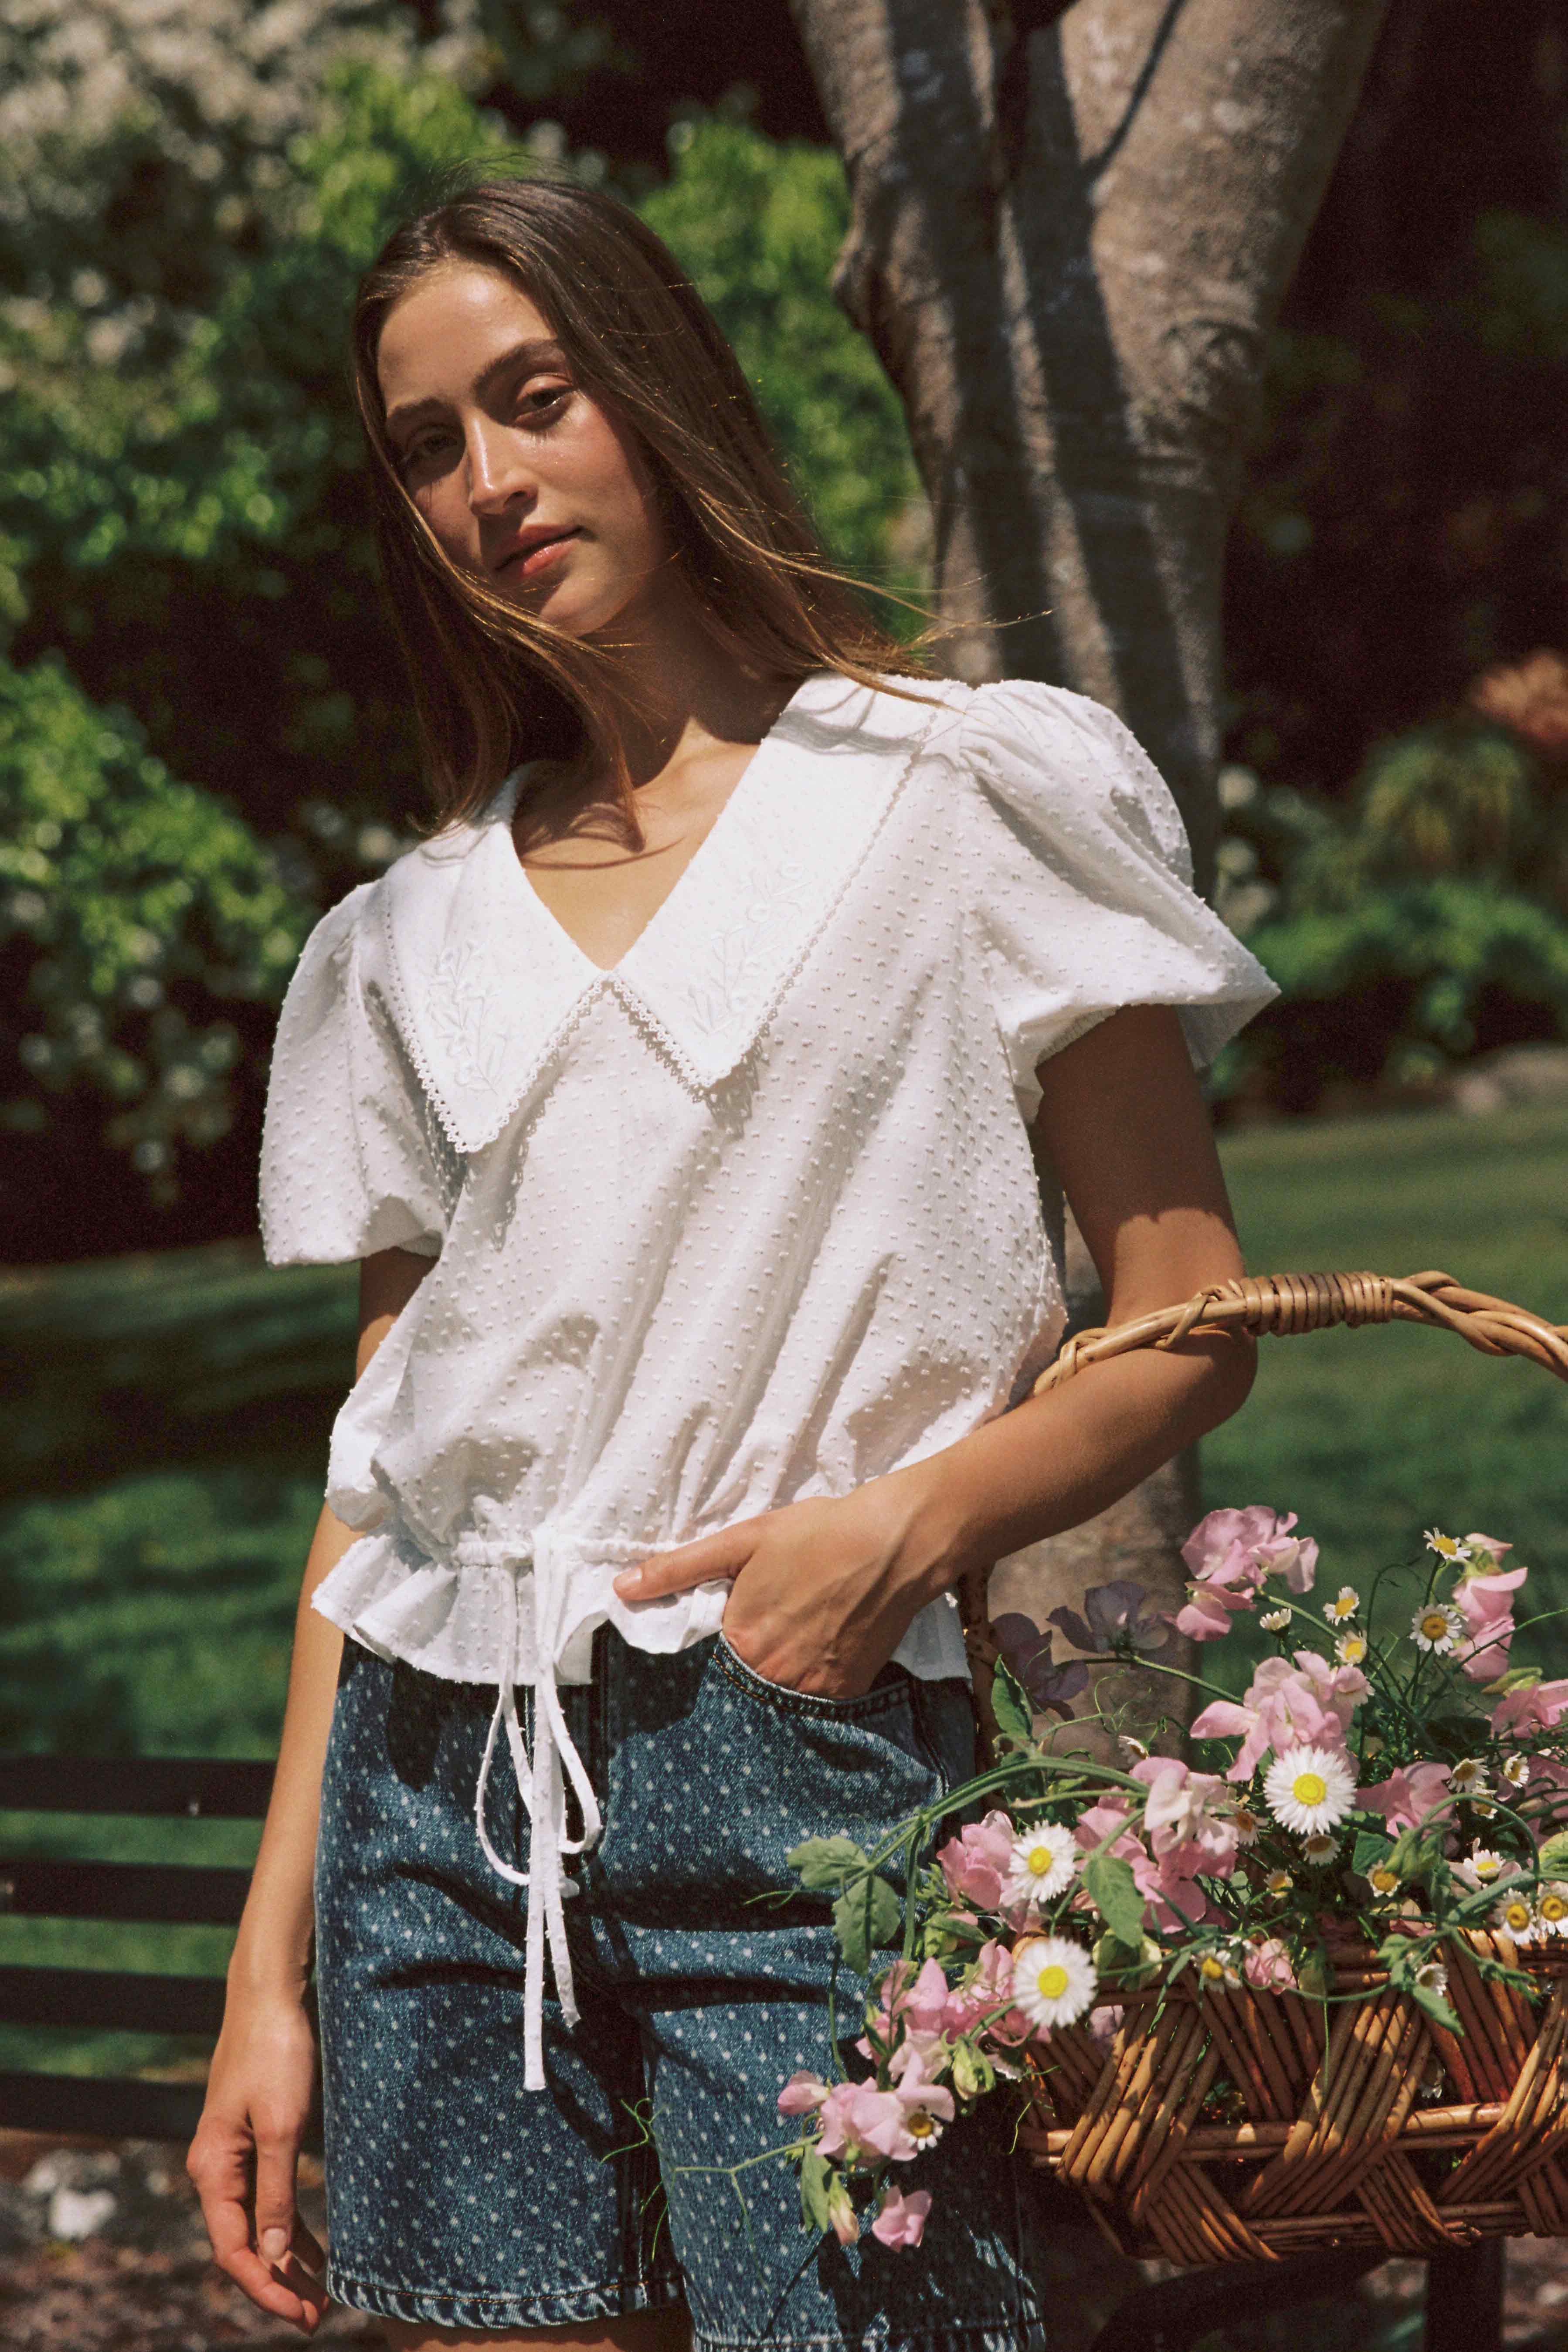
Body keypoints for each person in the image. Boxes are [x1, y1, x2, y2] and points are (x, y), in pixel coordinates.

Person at [186, 172, 1276, 2352]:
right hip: (430, 1795)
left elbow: (1189, 1321)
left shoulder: (969, 799)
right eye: (427, 446)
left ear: (653, 391)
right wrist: (265, 1969)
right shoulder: (401, 938)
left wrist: (894, 1535)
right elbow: (382, 1472)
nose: (488, 482)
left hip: (798, 1750)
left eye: (535, 397)